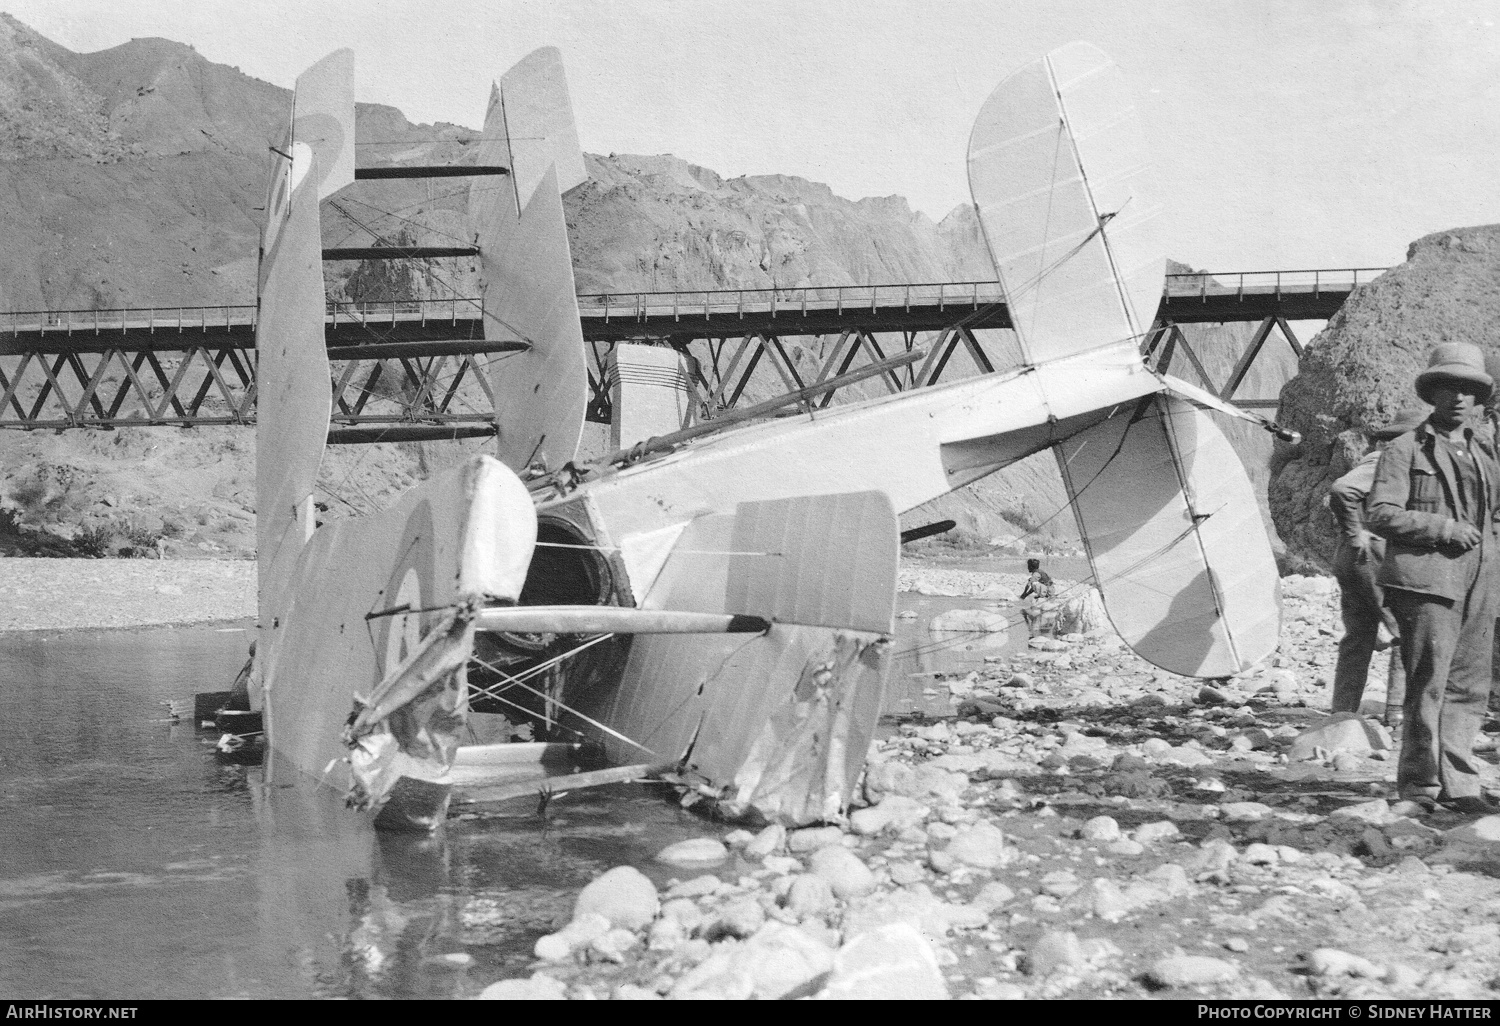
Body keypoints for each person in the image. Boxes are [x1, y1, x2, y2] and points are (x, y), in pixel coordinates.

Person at [1367, 342, 1500, 816]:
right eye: (1449, 386)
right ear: (1432, 392)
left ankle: (1459, 785)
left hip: (1480, 579)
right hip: (1426, 580)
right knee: (1428, 683)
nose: (1459, 398)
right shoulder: (1404, 448)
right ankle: (1420, 786)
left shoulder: (1484, 452)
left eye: (1468, 389)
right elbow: (1379, 513)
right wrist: (1443, 528)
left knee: (1469, 684)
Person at [1328, 410, 1425, 722]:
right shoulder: (1386, 460)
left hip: (1354, 558)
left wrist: (1354, 538)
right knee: (1404, 629)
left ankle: (1342, 714)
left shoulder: (1380, 457)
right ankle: (1397, 714)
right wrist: (1356, 536)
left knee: (1358, 635)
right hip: (1372, 555)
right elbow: (1343, 490)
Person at [1019, 557, 1054, 633]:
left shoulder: (1035, 574)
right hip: (1049, 589)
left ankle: (1042, 596)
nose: (1028, 567)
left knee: (1032, 582)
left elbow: (1030, 585)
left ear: (1031, 566)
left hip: (1048, 590)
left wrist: (1024, 594)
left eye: (1028, 566)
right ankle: (1042, 596)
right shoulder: (1038, 572)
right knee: (1033, 582)